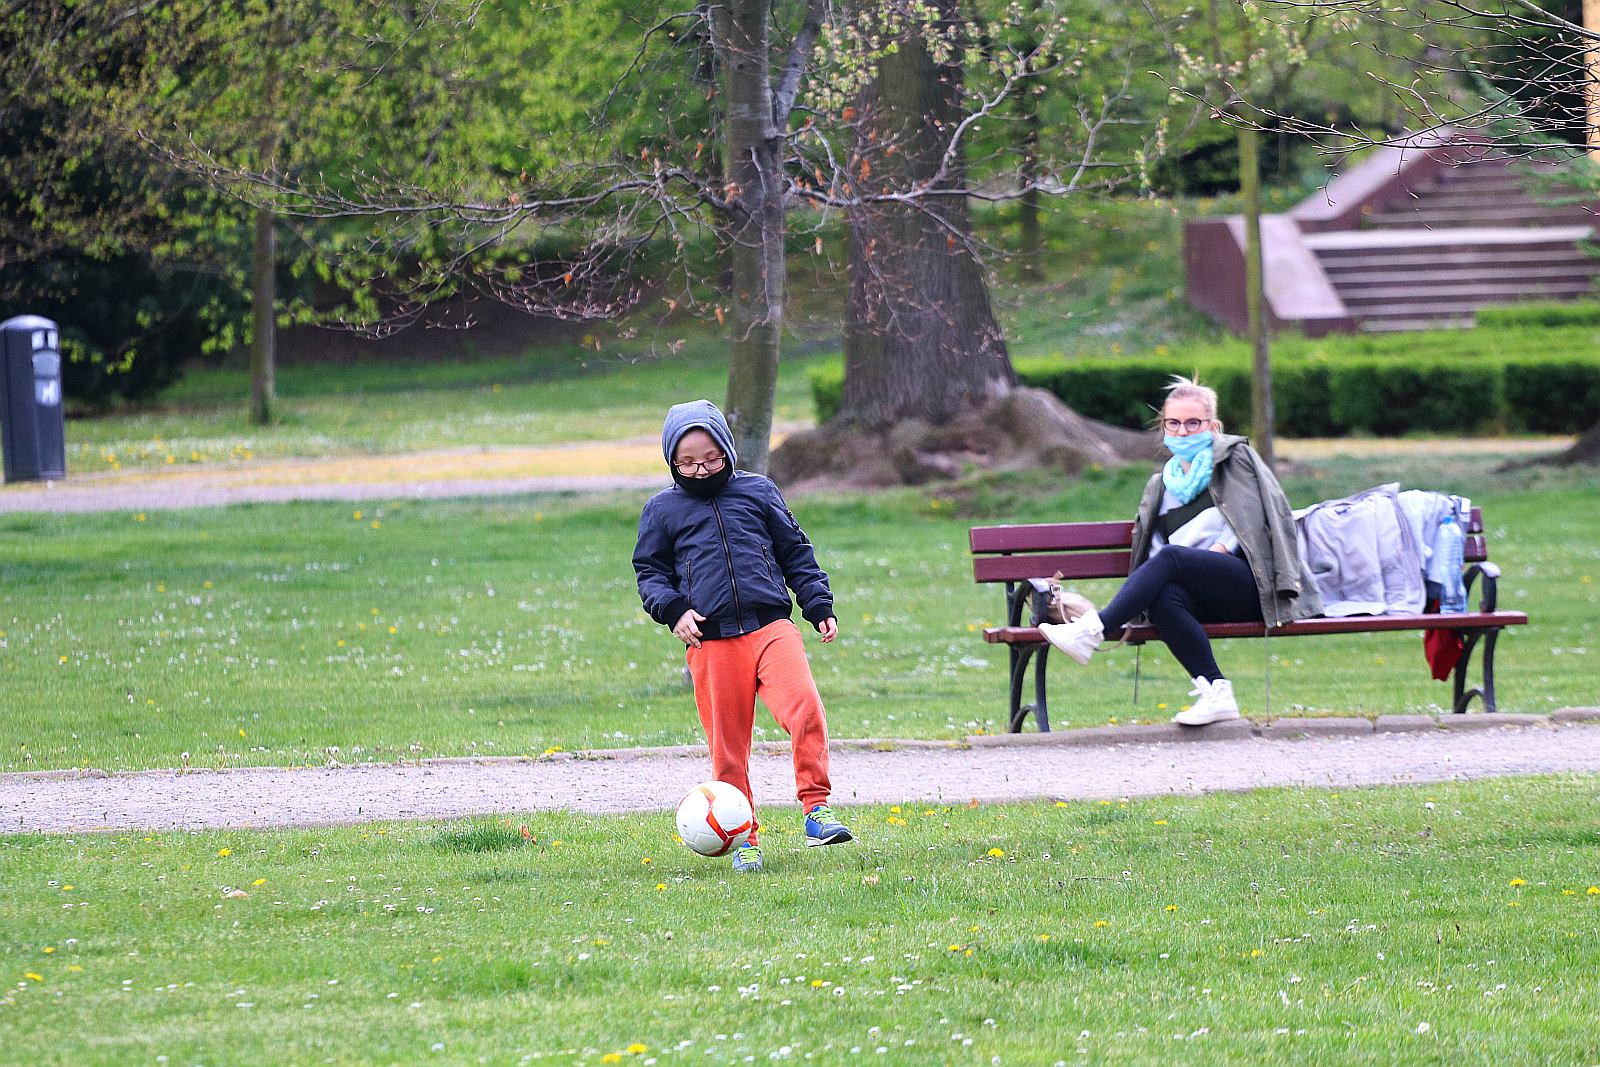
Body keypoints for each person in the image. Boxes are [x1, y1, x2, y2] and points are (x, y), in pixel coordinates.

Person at [633, 399, 854, 872]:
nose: (700, 469)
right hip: (710, 642)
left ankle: (816, 809)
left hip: (770, 627)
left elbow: (796, 550)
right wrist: (673, 611)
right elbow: (649, 573)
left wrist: (817, 604)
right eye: (688, 462)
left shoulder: (758, 491)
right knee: (728, 748)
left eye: (710, 459)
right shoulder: (661, 510)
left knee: (805, 709)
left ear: (727, 451)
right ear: (672, 460)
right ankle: (745, 838)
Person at [1038, 377, 1323, 725]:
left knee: (1174, 559)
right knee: (1163, 596)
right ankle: (1217, 691)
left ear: (1213, 426)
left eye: (1193, 423)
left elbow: (1244, 524)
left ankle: (1094, 631)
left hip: (1247, 583)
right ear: (1163, 428)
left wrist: (1206, 556)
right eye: (1173, 423)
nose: (1183, 432)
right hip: (1197, 590)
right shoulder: (1162, 483)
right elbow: (1154, 549)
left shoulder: (1236, 460)